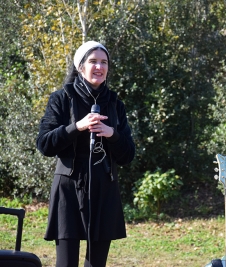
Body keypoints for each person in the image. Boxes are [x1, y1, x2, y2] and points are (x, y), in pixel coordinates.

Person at [36, 41, 135, 267]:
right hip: (68, 188)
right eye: (93, 62)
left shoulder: (115, 104)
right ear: (80, 66)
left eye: (104, 62)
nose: (99, 67)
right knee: (66, 263)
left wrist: (112, 134)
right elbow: (44, 144)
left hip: (104, 188)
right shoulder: (61, 98)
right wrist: (76, 127)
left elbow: (128, 155)